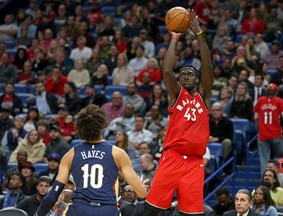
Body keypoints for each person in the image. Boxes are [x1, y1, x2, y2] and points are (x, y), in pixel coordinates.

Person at [144, 10, 214, 216]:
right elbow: (166, 71)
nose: (184, 76)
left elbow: (208, 66)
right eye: (182, 74)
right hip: (172, 157)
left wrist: (199, 33)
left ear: (197, 80)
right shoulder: (176, 95)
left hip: (194, 162)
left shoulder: (204, 96)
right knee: (151, 209)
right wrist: (174, 38)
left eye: (189, 74)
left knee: (191, 213)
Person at [35, 104, 148, 216]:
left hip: (79, 209)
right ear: (101, 126)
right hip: (107, 210)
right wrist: (142, 187)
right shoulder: (117, 153)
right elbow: (141, 193)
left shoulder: (71, 154)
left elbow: (52, 196)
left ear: (80, 128)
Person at [254, 83, 283, 175]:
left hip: (263, 135)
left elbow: (256, 116)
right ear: (276, 92)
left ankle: (264, 181)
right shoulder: (279, 101)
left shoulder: (261, 100)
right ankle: (275, 178)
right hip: (276, 134)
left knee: (264, 160)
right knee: (278, 159)